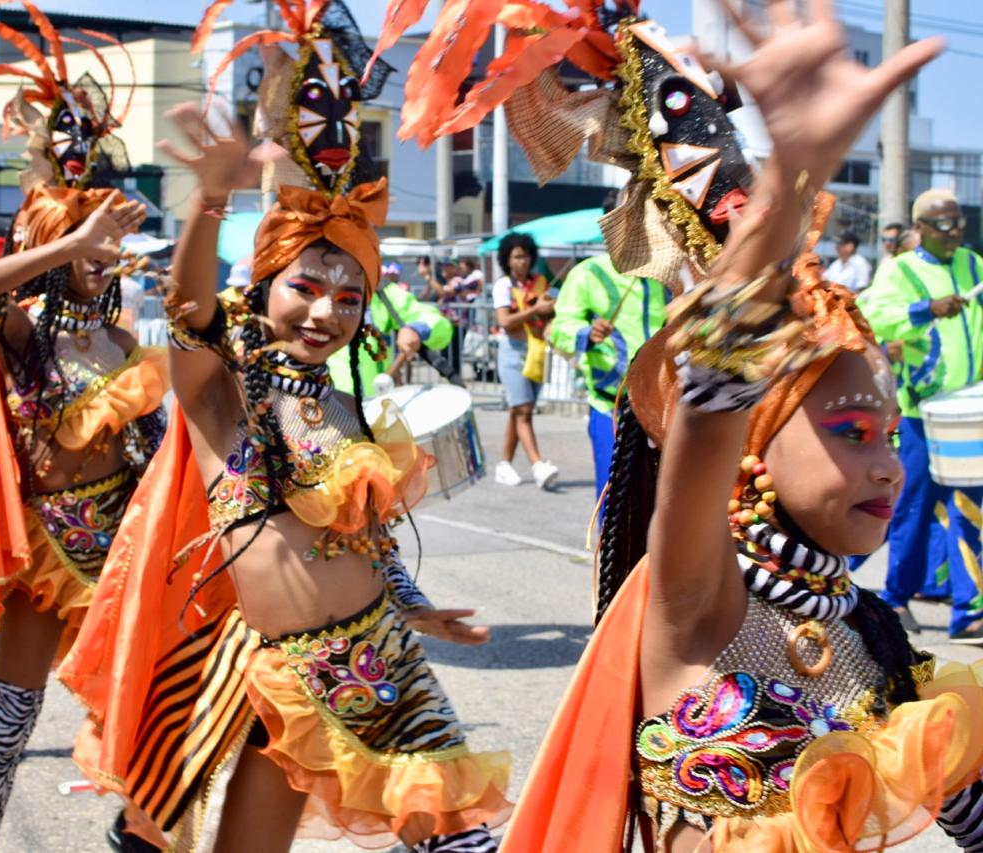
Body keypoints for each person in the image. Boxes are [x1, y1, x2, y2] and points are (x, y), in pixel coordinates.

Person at [476, 4, 983, 848]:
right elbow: (714, 395)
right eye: (854, 432)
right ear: (751, 443)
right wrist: (789, 176)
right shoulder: (700, 601)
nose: (891, 466)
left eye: (889, 437)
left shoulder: (878, 638)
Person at [60, 6, 510, 850]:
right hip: (280, 669)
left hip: (384, 662)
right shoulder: (223, 395)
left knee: (461, 838)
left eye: (349, 298)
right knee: (174, 833)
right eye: (305, 286)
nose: (325, 311)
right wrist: (213, 197)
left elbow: (359, 537)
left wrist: (416, 606)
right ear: (265, 285)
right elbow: (190, 309)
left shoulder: (343, 405)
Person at [0, 7, 169, 850]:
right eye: (89, 249)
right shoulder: (23, 329)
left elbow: (158, 450)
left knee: (147, 717)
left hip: (120, 561)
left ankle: (131, 835)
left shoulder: (129, 342)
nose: (104, 263)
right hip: (41, 561)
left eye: (109, 250)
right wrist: (71, 244)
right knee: (9, 733)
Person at [863, 187, 983, 644]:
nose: (955, 233)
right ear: (922, 229)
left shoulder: (973, 265)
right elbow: (875, 318)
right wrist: (926, 310)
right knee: (912, 506)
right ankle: (896, 596)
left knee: (971, 508)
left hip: (968, 412)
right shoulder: (901, 270)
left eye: (960, 223)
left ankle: (969, 612)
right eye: (945, 225)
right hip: (920, 412)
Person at [549, 247, 667, 507]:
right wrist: (586, 333)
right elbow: (559, 329)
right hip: (611, 407)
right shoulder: (588, 273)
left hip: (662, 408)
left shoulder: (666, 275)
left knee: (663, 501)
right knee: (615, 501)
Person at [491, 232, 560, 489]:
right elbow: (505, 322)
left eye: (526, 256)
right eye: (517, 256)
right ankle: (538, 464)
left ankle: (504, 464)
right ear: (507, 260)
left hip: (536, 352)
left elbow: (553, 311)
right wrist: (535, 310)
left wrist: (551, 313)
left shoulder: (541, 283)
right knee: (524, 410)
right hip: (513, 353)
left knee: (517, 410)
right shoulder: (503, 286)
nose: (522, 261)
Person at [326, 267, 454, 396]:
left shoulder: (382, 292)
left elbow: (440, 325)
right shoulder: (310, 290)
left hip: (371, 405)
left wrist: (418, 329)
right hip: (315, 409)